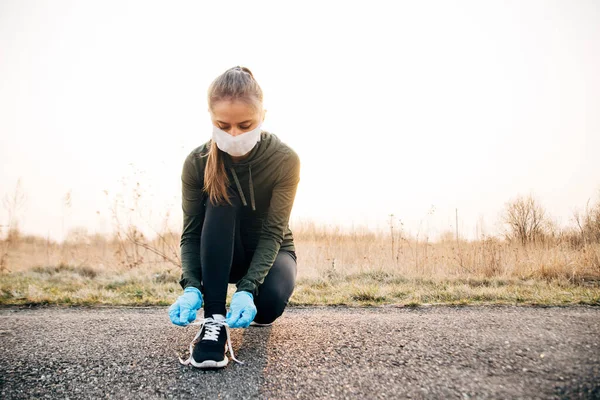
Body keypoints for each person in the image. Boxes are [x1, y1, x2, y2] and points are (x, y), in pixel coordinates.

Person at [168, 66, 301, 369]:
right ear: (210, 118)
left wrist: (247, 288)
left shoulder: (285, 160)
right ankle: (213, 321)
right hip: (218, 253)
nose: (234, 134)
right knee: (221, 200)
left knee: (266, 309)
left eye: (245, 124)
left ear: (262, 116)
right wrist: (191, 285)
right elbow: (191, 233)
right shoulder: (197, 162)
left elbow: (273, 233)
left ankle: (249, 297)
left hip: (271, 249)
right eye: (223, 125)